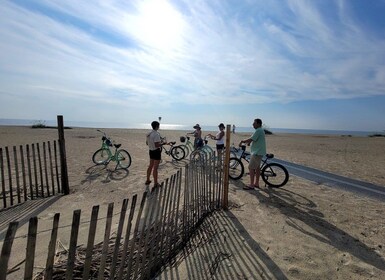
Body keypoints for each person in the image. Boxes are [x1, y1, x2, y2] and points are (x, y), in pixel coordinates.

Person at [239, 118, 266, 190]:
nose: (253, 124)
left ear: (258, 124)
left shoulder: (258, 130)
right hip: (259, 151)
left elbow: (251, 139)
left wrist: (242, 141)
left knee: (251, 167)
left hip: (257, 152)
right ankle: (256, 183)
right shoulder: (260, 130)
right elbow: (254, 139)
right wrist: (249, 142)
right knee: (257, 168)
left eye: (254, 123)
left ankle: (251, 185)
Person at [146, 121, 166, 188]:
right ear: (157, 126)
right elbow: (157, 145)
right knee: (155, 168)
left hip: (151, 151)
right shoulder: (156, 134)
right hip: (156, 151)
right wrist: (163, 143)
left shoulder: (148, 133)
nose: (159, 127)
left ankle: (148, 180)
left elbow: (147, 143)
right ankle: (155, 183)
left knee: (150, 166)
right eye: (158, 125)